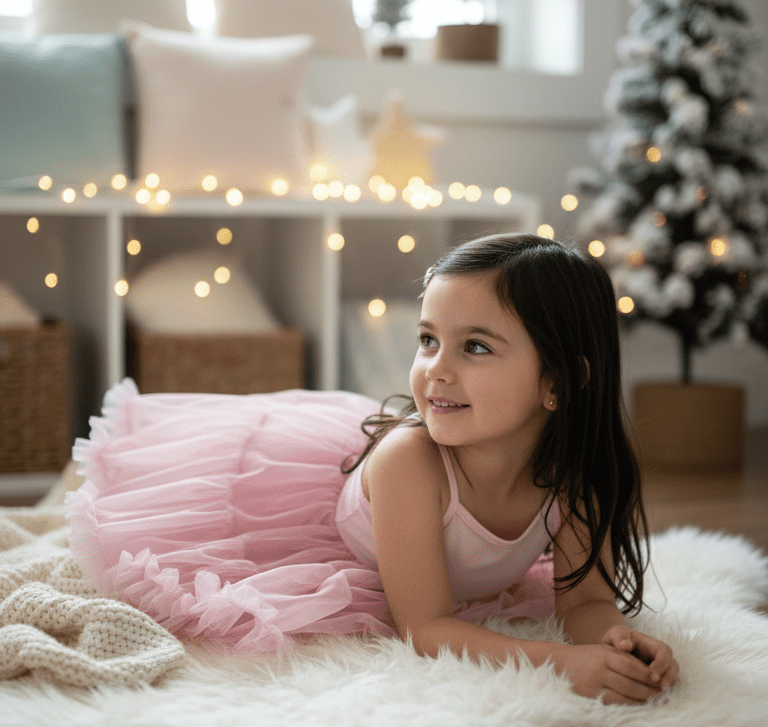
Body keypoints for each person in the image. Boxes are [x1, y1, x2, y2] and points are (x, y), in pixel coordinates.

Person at [67, 233, 678, 705]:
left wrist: (616, 641)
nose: (435, 370)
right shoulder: (411, 464)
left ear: (559, 382)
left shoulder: (573, 482)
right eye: (428, 339)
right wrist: (559, 664)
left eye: (476, 347)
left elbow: (585, 602)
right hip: (325, 523)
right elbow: (425, 625)